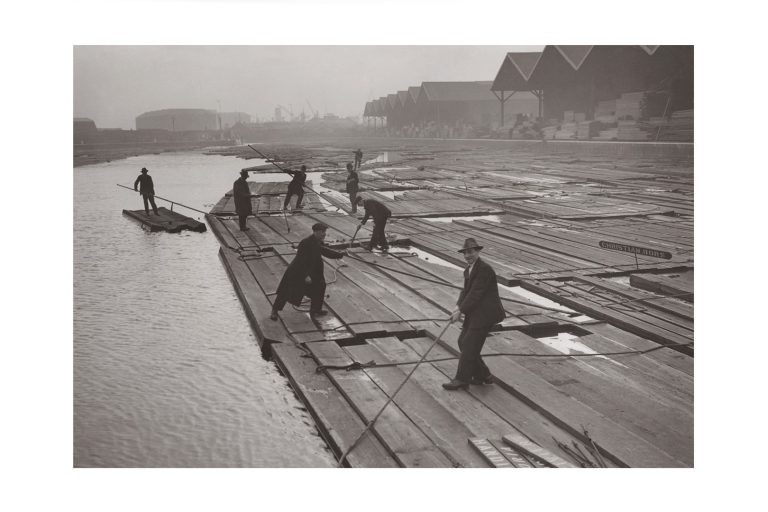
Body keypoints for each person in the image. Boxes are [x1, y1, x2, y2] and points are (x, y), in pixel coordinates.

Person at [442, 238, 506, 391]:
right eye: (465, 253)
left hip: (486, 314)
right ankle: (483, 375)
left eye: (470, 252)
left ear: (477, 251)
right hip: (475, 312)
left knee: (469, 344)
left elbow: (476, 294)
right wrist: (457, 307)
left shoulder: (484, 269)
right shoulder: (469, 269)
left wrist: (461, 311)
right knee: (463, 342)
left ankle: (461, 379)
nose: (467, 256)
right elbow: (466, 292)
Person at [270, 223, 346, 320]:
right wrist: (305, 275)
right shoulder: (305, 243)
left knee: (320, 286)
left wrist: (340, 254)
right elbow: (300, 260)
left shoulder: (318, 241)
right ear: (315, 232)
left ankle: (316, 310)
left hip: (312, 270)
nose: (324, 234)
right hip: (298, 270)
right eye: (322, 232)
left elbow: (326, 251)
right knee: (285, 292)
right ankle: (275, 310)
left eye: (325, 232)